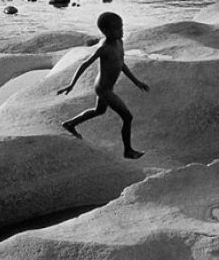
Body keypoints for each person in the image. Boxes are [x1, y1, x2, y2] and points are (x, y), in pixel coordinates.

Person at [56, 12, 150, 159]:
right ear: (106, 31)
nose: (121, 31)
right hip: (103, 89)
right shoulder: (104, 48)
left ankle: (69, 124)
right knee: (127, 117)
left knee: (99, 111)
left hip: (108, 87)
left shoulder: (120, 43)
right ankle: (128, 151)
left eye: (121, 27)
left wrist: (136, 81)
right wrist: (71, 85)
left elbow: (120, 63)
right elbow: (85, 64)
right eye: (117, 29)